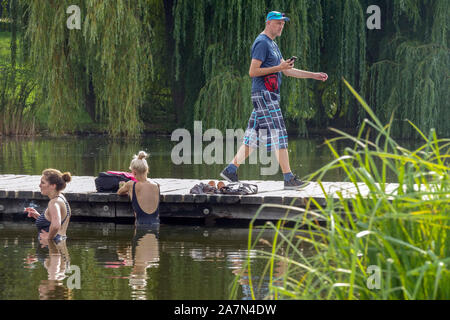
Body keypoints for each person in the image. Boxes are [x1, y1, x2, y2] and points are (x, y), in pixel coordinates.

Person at [220, 11, 328, 189]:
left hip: (267, 95)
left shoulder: (273, 44)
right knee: (280, 134)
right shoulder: (262, 42)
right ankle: (289, 179)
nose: (281, 26)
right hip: (264, 95)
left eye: (283, 23)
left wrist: (313, 75)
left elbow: (286, 70)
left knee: (253, 137)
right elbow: (253, 72)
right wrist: (279, 67)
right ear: (268, 23)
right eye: (278, 23)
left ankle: (231, 169)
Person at [25, 169, 72, 244]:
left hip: (52, 245)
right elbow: (54, 221)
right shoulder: (61, 198)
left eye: (42, 183)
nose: (39, 185)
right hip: (60, 243)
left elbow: (56, 225)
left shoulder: (53, 203)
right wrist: (39, 217)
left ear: (53, 186)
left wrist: (49, 238)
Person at [117, 151, 160, 226]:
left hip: (140, 225)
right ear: (147, 170)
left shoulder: (130, 184)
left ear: (134, 172)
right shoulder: (156, 185)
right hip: (156, 224)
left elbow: (119, 192)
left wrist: (125, 186)